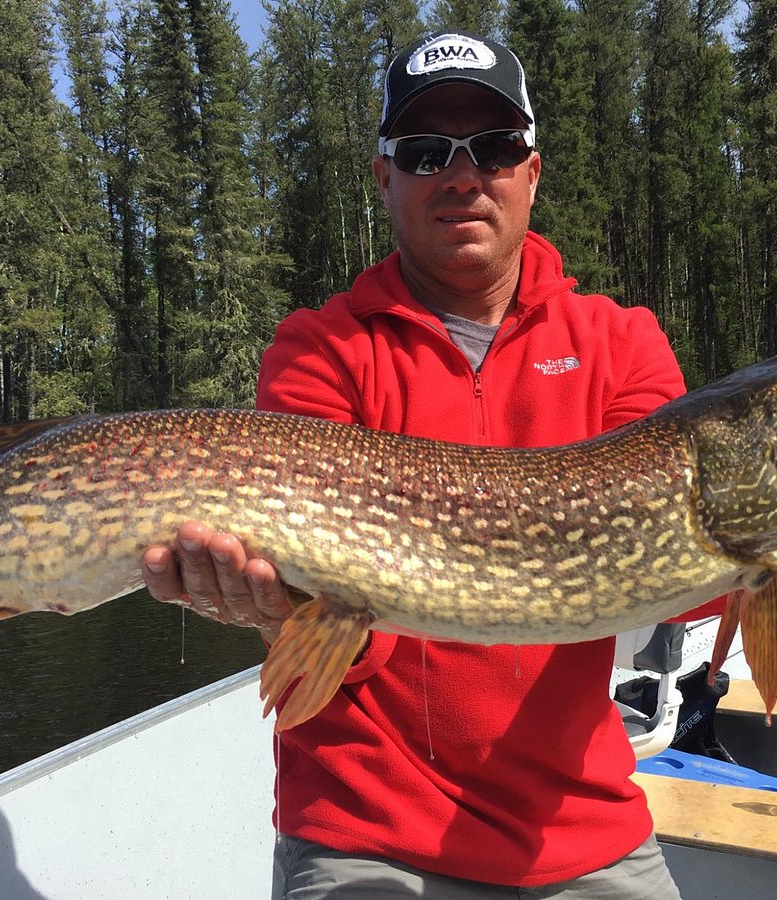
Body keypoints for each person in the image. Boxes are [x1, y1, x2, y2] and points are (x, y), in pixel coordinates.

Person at [143, 30, 691, 899]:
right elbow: (324, 627)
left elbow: (699, 583)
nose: (464, 175)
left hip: (585, 834)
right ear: (385, 178)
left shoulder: (623, 344)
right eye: (428, 151)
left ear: (532, 172)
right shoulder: (321, 349)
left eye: (497, 148)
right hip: (364, 833)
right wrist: (266, 606)